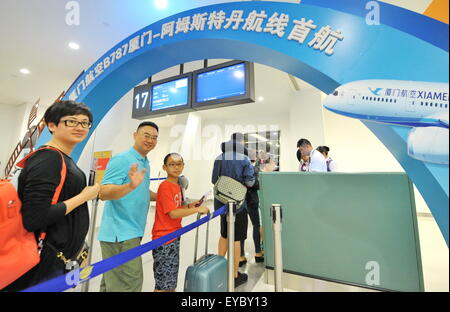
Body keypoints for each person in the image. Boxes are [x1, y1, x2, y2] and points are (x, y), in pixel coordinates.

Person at [4, 100, 100, 291]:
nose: (79, 127)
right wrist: (83, 197)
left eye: (84, 123)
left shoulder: (62, 159)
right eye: (71, 121)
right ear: (52, 125)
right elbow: (35, 218)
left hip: (54, 259)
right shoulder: (49, 159)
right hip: (41, 260)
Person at [98, 121, 159, 292]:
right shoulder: (122, 159)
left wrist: (166, 196)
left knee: (111, 283)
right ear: (135, 135)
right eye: (146, 135)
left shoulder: (145, 162)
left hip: (133, 230)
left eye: (154, 138)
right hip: (120, 234)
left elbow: (142, 191)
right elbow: (104, 192)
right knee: (129, 284)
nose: (150, 140)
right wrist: (130, 186)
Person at [151, 153, 209, 292]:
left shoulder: (177, 186)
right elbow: (173, 213)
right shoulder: (165, 186)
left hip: (174, 235)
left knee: (170, 281)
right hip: (164, 239)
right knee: (162, 284)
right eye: (172, 164)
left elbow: (177, 208)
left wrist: (192, 205)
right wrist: (197, 210)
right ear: (165, 167)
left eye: (179, 164)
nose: (176, 167)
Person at [211, 133, 255, 288]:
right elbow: (250, 182)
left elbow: (214, 180)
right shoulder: (244, 159)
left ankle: (217, 269)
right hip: (238, 204)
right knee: (236, 239)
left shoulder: (219, 158)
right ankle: (235, 275)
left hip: (222, 204)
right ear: (241, 142)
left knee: (224, 235)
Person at [239, 150, 264, 267]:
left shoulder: (240, 167)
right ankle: (258, 253)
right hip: (252, 201)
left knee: (242, 229)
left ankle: (241, 256)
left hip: (241, 201)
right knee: (256, 226)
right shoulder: (253, 169)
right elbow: (256, 184)